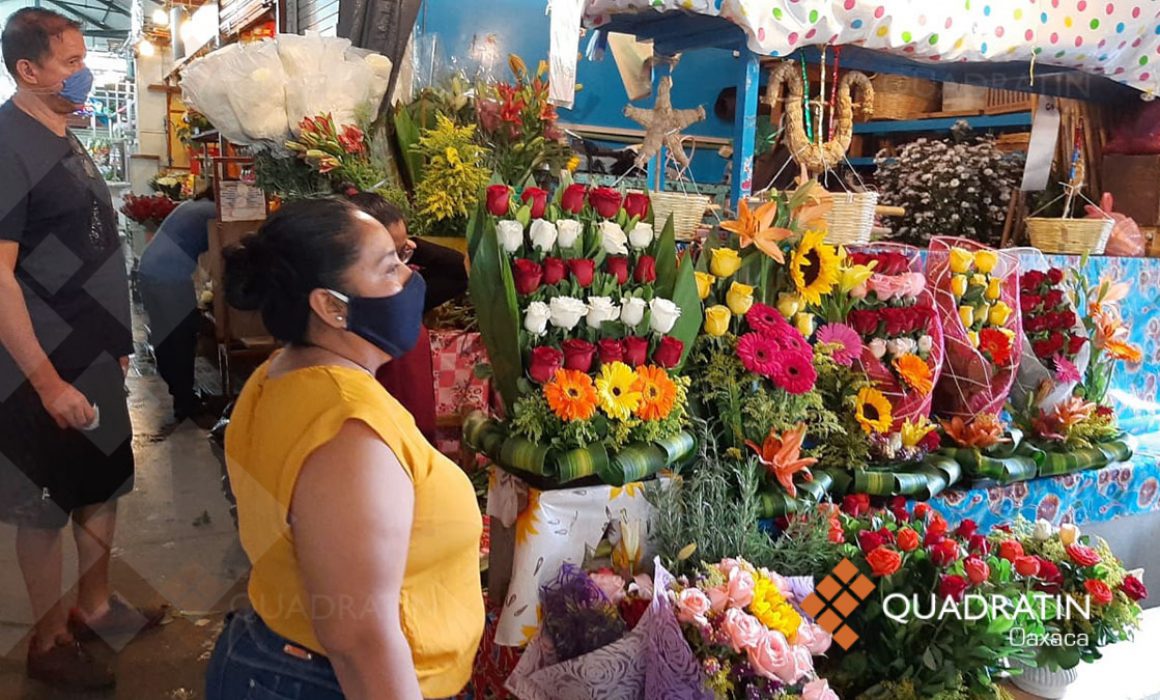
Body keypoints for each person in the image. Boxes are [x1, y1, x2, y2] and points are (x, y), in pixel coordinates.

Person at [206, 198, 484, 700]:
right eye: (389, 266)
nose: (408, 277)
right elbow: (359, 638)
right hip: (326, 682)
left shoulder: (282, 371)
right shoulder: (350, 432)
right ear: (331, 306)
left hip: (285, 658)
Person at [0, 8, 164, 690]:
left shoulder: (63, 132)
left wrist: (112, 342)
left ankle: (94, 606)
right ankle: (46, 639)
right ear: (26, 70)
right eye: (68, 63)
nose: (83, 71)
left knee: (101, 485)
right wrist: (44, 381)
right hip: (37, 366)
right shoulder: (7, 144)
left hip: (93, 358)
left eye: (81, 58)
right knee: (43, 504)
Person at [344, 190, 468, 444]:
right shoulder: (350, 316)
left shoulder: (403, 294)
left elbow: (458, 271)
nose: (404, 273)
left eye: (403, 255)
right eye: (388, 260)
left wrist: (412, 248)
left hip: (417, 447)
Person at [138, 191, 217, 421]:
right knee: (183, 334)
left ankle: (178, 392)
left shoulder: (191, 206)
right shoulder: (213, 213)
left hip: (149, 268)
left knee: (165, 333)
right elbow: (224, 250)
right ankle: (185, 402)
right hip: (169, 276)